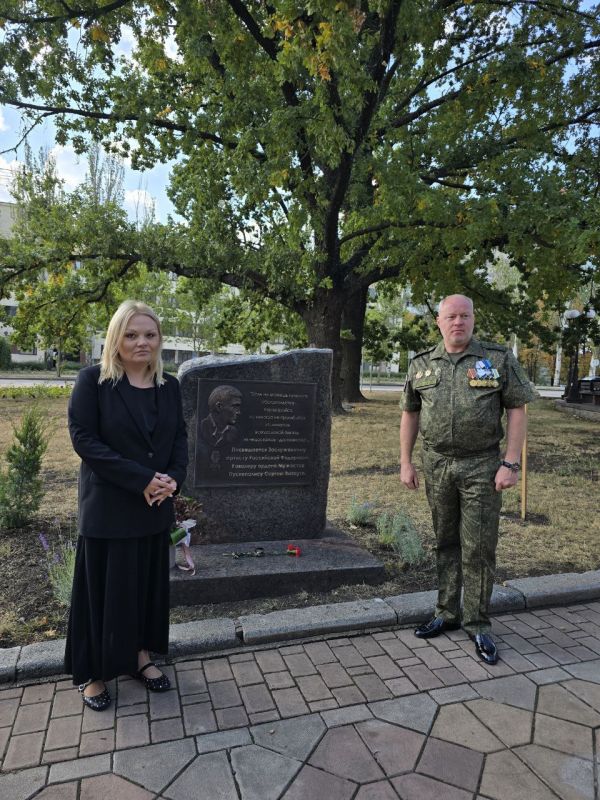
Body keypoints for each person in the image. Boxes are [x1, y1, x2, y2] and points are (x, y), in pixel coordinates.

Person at [399, 294, 537, 664]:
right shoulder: (421, 364)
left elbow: (517, 411)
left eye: (465, 315)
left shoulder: (497, 359)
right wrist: (405, 462)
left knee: (477, 547)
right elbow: (410, 414)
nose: (458, 322)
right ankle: (446, 612)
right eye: (451, 316)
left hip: (481, 467)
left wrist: (510, 464)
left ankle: (477, 624)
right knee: (445, 541)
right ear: (439, 322)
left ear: (473, 319)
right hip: (438, 465)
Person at [65, 300, 188, 710]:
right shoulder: (93, 382)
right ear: (116, 338)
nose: (141, 342)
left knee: (145, 589)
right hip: (109, 508)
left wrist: (172, 479)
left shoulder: (169, 386)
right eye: (131, 334)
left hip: (153, 508)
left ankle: (140, 658)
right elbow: (85, 440)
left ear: (159, 340)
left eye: (149, 335)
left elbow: (179, 440)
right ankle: (94, 674)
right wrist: (141, 480)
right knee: (103, 593)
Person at [199, 385, 243, 472]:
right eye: (235, 406)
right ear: (219, 407)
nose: (239, 412)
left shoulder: (233, 432)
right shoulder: (202, 426)